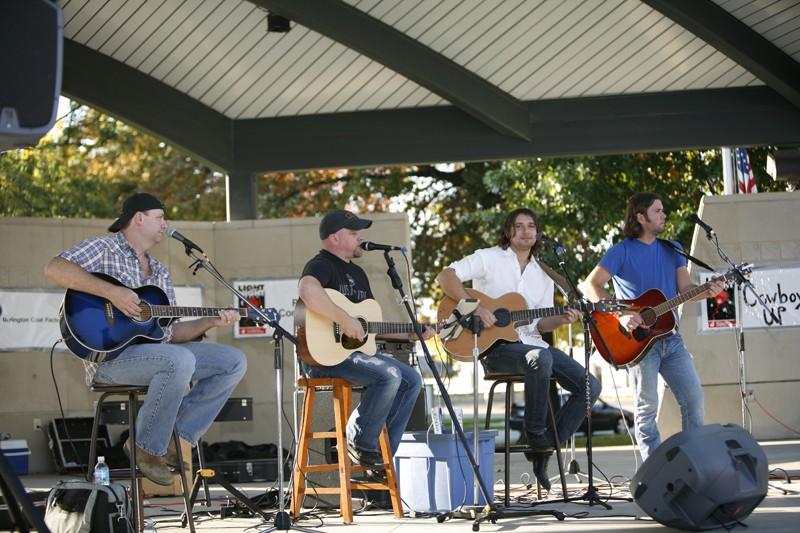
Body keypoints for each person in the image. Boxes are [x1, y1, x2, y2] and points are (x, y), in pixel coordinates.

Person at [45, 193, 247, 485]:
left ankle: (177, 437)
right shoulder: (103, 249)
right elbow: (54, 268)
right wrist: (112, 292)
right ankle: (146, 447)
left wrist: (210, 320)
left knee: (233, 361)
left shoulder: (161, 273)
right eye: (160, 217)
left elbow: (170, 334)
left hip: (159, 357)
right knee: (179, 360)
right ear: (138, 218)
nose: (165, 224)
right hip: (110, 359)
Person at [437, 208, 601, 489]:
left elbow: (539, 325)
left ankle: (543, 447)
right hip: (495, 349)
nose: (526, 231)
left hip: (532, 345)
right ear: (508, 231)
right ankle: (535, 434)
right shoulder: (488, 258)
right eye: (519, 226)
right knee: (540, 358)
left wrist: (561, 318)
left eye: (531, 226)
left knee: (590, 387)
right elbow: (446, 276)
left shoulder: (544, 272)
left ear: (537, 232)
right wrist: (475, 306)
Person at [582, 192, 725, 461]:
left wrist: (708, 291)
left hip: (672, 340)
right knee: (647, 411)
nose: (664, 215)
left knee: (693, 400)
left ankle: (695, 462)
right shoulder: (621, 251)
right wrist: (622, 314)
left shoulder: (673, 248)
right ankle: (653, 469)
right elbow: (591, 285)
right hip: (638, 344)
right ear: (640, 216)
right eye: (658, 211)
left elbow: (687, 290)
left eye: (663, 210)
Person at [297, 210, 431, 470]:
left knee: (412, 380)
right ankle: (360, 441)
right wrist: (344, 319)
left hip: (354, 355)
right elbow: (307, 290)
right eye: (354, 233)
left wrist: (410, 333)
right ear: (334, 238)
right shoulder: (321, 264)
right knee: (389, 374)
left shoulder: (359, 274)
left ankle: (382, 459)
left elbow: (367, 327)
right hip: (323, 358)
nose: (361, 237)